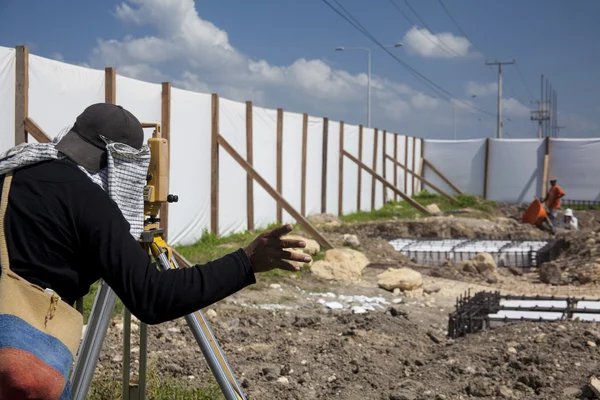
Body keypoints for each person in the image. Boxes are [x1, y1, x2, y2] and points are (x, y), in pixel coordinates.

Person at [0, 103, 311, 399]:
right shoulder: (88, 200)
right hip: (18, 365)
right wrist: (246, 262)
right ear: (121, 166)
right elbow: (152, 298)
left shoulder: (11, 172)